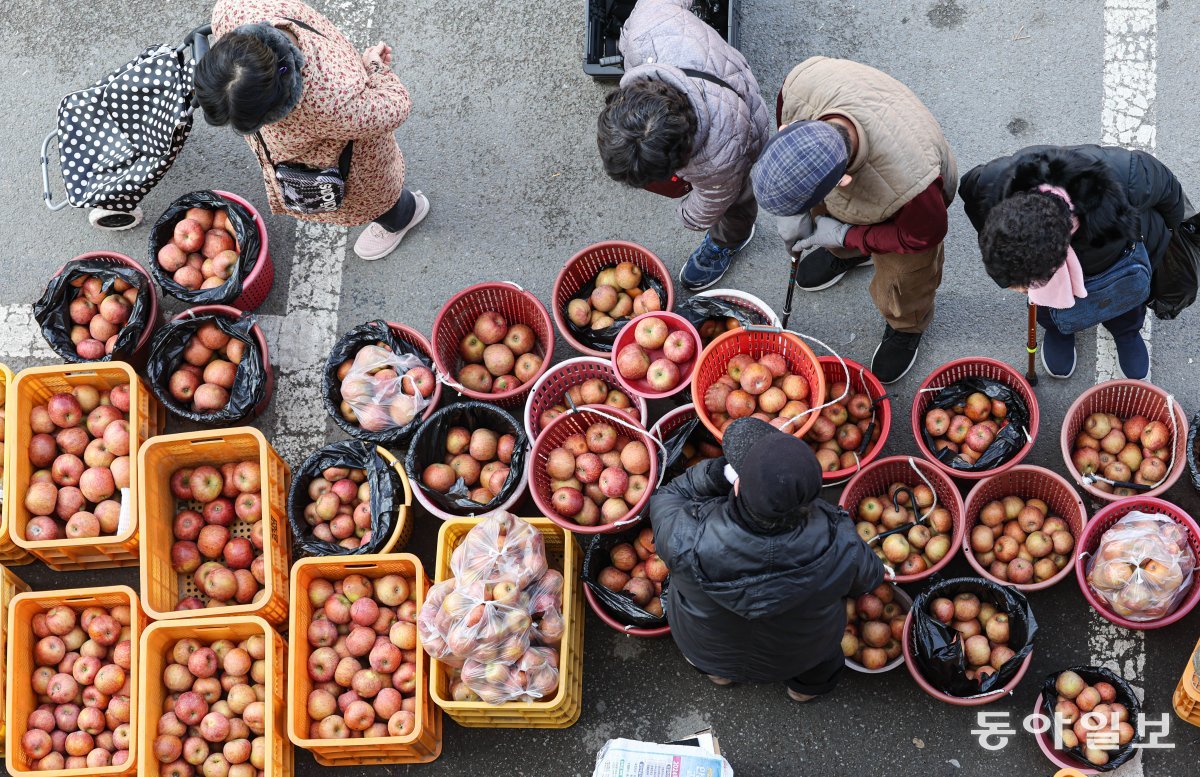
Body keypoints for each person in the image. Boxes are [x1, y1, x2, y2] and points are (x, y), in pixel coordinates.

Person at [750, 57, 958, 384]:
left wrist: (845, 233)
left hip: (912, 212)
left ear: (842, 184)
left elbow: (922, 236)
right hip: (858, 170)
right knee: (824, 217)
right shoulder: (799, 86)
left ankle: (908, 325)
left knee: (906, 278)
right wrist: (797, 214)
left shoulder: (912, 188)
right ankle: (848, 255)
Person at [649, 417, 885, 702]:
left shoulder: (684, 537)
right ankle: (801, 693)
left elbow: (667, 496)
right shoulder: (841, 543)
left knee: (713, 659)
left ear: (737, 487)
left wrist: (715, 475)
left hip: (708, 649)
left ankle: (720, 676)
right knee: (819, 666)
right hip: (799, 656)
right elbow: (870, 577)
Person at [199, 0, 428, 261]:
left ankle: (405, 214)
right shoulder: (236, 10)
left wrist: (375, 68)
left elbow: (396, 104)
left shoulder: (331, 102)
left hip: (350, 164)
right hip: (336, 116)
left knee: (376, 199)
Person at [960, 145, 1197, 381]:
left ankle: (1126, 332)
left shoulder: (1125, 176)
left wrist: (1162, 241)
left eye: (1025, 284)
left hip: (1119, 258)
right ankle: (1061, 330)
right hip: (1065, 255)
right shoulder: (993, 183)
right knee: (1046, 305)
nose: (1020, 290)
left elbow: (1170, 195)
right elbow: (969, 193)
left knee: (1124, 297)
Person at [596, 0, 770, 291]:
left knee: (735, 200)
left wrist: (688, 216)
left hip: (744, 121)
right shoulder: (647, 23)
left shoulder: (718, 157)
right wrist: (628, 41)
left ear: (680, 160)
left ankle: (731, 240)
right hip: (710, 64)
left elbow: (713, 200)